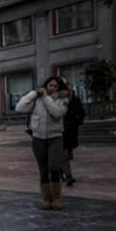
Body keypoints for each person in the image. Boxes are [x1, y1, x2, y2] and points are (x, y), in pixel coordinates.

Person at [15, 76, 70, 210]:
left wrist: (45, 97)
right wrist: (34, 93)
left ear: (59, 88)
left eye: (55, 86)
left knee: (54, 167)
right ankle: (46, 199)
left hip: (55, 138)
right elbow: (19, 107)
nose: (52, 88)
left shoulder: (63, 99)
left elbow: (57, 113)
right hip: (38, 139)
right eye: (50, 85)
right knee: (43, 170)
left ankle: (57, 198)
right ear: (46, 86)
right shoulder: (37, 99)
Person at [62, 83, 87, 186]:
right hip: (61, 129)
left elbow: (81, 112)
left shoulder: (75, 100)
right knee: (63, 153)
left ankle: (66, 175)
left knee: (67, 149)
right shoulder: (60, 100)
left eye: (69, 89)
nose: (67, 91)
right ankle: (68, 176)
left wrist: (78, 121)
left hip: (71, 127)